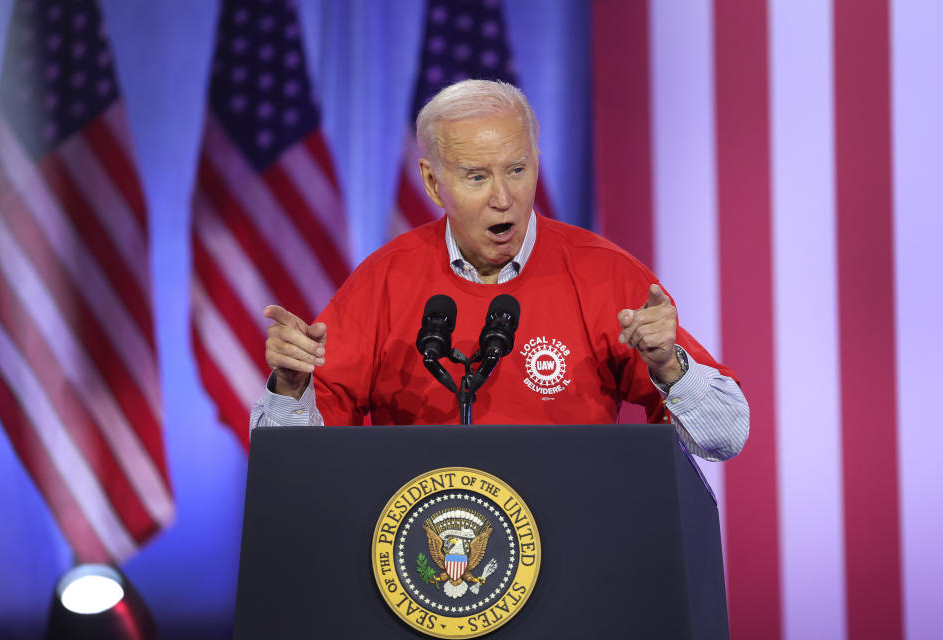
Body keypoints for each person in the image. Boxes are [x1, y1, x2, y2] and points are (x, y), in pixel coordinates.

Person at [251, 79, 748, 461]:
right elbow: (293, 461)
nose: (503, 198)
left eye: (517, 169)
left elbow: (725, 437)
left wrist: (668, 365)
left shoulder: (605, 275)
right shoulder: (385, 280)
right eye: (476, 177)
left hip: (573, 552)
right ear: (431, 182)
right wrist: (291, 389)